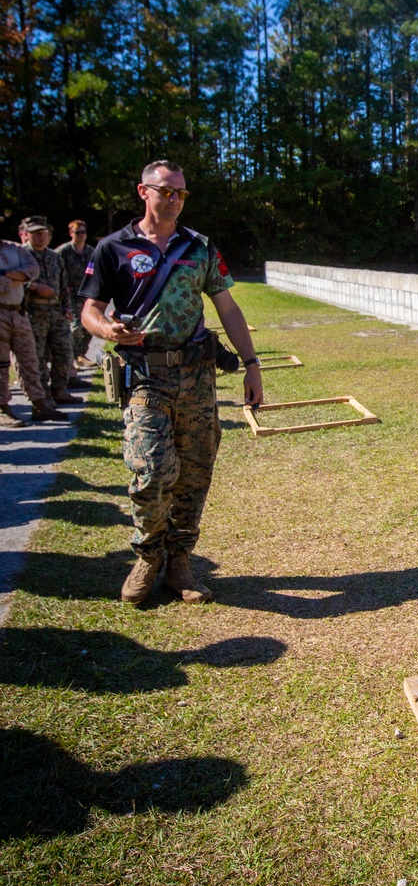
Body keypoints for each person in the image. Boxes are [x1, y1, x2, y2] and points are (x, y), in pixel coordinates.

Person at [79, 159, 264, 606]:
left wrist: (252, 363)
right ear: (144, 192)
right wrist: (109, 331)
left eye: (181, 192)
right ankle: (147, 556)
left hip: (196, 375)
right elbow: (89, 310)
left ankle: (179, 561)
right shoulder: (113, 247)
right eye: (166, 191)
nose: (174, 199)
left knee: (196, 470)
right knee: (151, 470)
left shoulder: (197, 246)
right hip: (146, 375)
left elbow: (227, 307)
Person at [0, 238, 66, 426]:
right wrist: (18, 278)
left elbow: (34, 270)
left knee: (30, 360)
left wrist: (6, 276)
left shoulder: (15, 248)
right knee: (1, 365)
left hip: (18, 313)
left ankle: (39, 403)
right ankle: (2, 408)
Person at [19, 217, 76, 405]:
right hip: (33, 311)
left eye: (43, 234)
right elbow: (13, 283)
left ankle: (59, 389)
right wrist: (33, 286)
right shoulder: (21, 256)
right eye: (35, 234)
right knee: (38, 355)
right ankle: (42, 394)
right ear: (27, 235)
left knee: (64, 351)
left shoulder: (54, 256)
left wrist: (67, 308)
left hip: (56, 310)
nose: (40, 237)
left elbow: (64, 284)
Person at [55, 219, 96, 365]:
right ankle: (75, 356)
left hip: (87, 294)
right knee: (76, 326)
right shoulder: (63, 251)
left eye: (83, 232)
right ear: (71, 233)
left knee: (89, 327)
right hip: (69, 294)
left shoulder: (90, 251)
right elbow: (55, 271)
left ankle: (81, 354)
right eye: (78, 233)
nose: (81, 235)